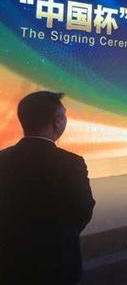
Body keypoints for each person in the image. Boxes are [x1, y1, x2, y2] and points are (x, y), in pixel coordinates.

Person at [0, 91, 95, 284]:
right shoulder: (71, 163)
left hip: (9, 262)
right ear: (57, 122)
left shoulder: (2, 159)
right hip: (58, 262)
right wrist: (62, 234)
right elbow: (83, 209)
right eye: (64, 115)